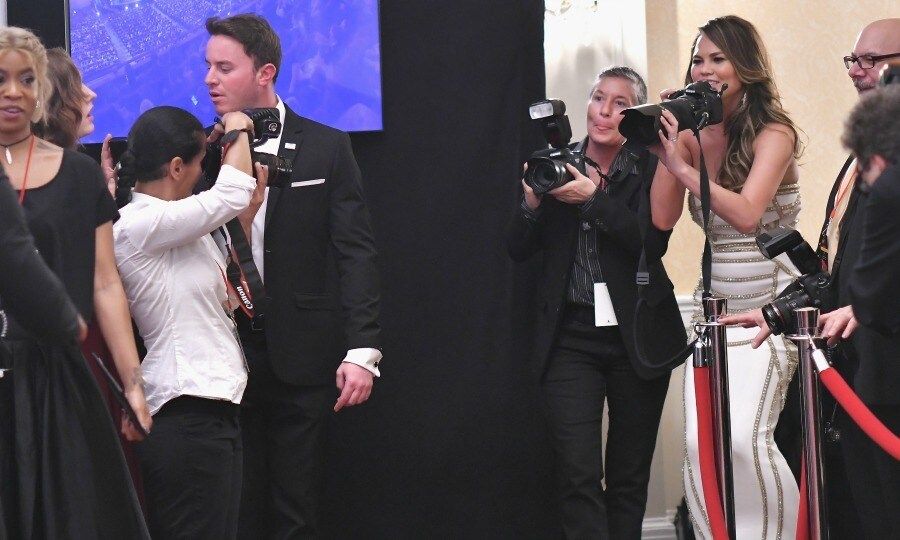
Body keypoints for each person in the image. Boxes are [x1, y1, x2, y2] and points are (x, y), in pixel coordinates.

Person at [202, 14, 382, 537]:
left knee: (295, 507)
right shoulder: (198, 153)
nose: (210, 79)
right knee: (228, 505)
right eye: (207, 66)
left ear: (266, 72)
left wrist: (362, 349)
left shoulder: (328, 146)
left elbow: (357, 253)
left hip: (301, 354)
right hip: (218, 351)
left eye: (224, 67)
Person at [719, 19, 900, 538]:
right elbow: (839, 269)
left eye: (872, 61)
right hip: (859, 372)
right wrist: (778, 311)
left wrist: (870, 307)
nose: (857, 72)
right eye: (853, 60)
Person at [508, 67, 685, 539]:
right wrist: (531, 203)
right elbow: (517, 249)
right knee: (577, 473)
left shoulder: (652, 165)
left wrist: (591, 199)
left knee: (629, 476)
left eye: (620, 103)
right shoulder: (556, 161)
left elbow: (651, 243)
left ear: (635, 114)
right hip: (570, 337)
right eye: (597, 98)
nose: (604, 112)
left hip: (637, 334)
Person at [649, 15, 804, 538]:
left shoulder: (774, 132)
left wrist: (686, 168)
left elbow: (748, 214)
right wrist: (664, 149)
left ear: (746, 67)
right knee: (699, 446)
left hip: (770, 310)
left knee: (745, 441)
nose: (707, 69)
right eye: (699, 58)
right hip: (715, 312)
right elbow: (662, 219)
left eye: (719, 58)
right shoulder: (694, 138)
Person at [0, 26, 150, 538]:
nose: (13, 91)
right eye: (0, 78)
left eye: (26, 78)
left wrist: (133, 382)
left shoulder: (79, 175)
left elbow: (105, 284)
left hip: (57, 379)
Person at [114, 105, 263, 539]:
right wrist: (237, 128)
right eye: (201, 163)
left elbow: (231, 302)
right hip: (185, 414)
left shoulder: (181, 226)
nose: (204, 174)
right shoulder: (138, 223)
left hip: (215, 411)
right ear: (177, 166)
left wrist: (246, 221)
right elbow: (231, 193)